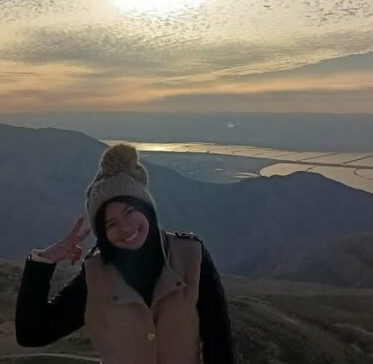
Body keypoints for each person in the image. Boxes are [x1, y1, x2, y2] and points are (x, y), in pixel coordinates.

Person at [15, 143, 238, 364]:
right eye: (111, 224)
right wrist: (43, 262)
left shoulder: (191, 256)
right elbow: (32, 334)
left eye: (129, 211)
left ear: (146, 209)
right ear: (103, 234)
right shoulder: (96, 275)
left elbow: (219, 344)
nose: (125, 227)